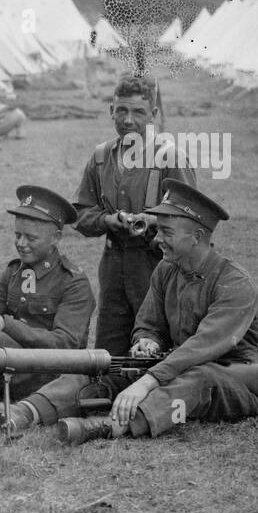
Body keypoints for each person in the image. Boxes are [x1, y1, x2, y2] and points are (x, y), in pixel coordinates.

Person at [0, 181, 258, 442]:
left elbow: (202, 348)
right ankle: (21, 414)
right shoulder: (166, 270)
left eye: (167, 232)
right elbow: (148, 323)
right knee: (106, 367)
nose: (157, 239)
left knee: (199, 376)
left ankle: (107, 426)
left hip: (227, 379)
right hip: (173, 365)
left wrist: (147, 382)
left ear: (198, 237)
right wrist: (147, 341)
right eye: (158, 230)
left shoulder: (234, 284)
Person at [73, 73, 195, 355]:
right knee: (108, 354)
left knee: (157, 345)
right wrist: (107, 220)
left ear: (152, 114)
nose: (128, 120)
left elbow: (193, 218)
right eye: (122, 111)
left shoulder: (171, 157)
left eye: (138, 112)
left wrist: (154, 221)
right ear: (111, 111)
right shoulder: (101, 157)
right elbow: (80, 212)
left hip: (156, 267)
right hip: (114, 267)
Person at [0, 185, 95, 417]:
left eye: (31, 237)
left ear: (55, 238)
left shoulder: (74, 283)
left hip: (48, 375)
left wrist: (5, 326)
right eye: (17, 235)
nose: (21, 243)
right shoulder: (14, 272)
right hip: (7, 364)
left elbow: (65, 345)